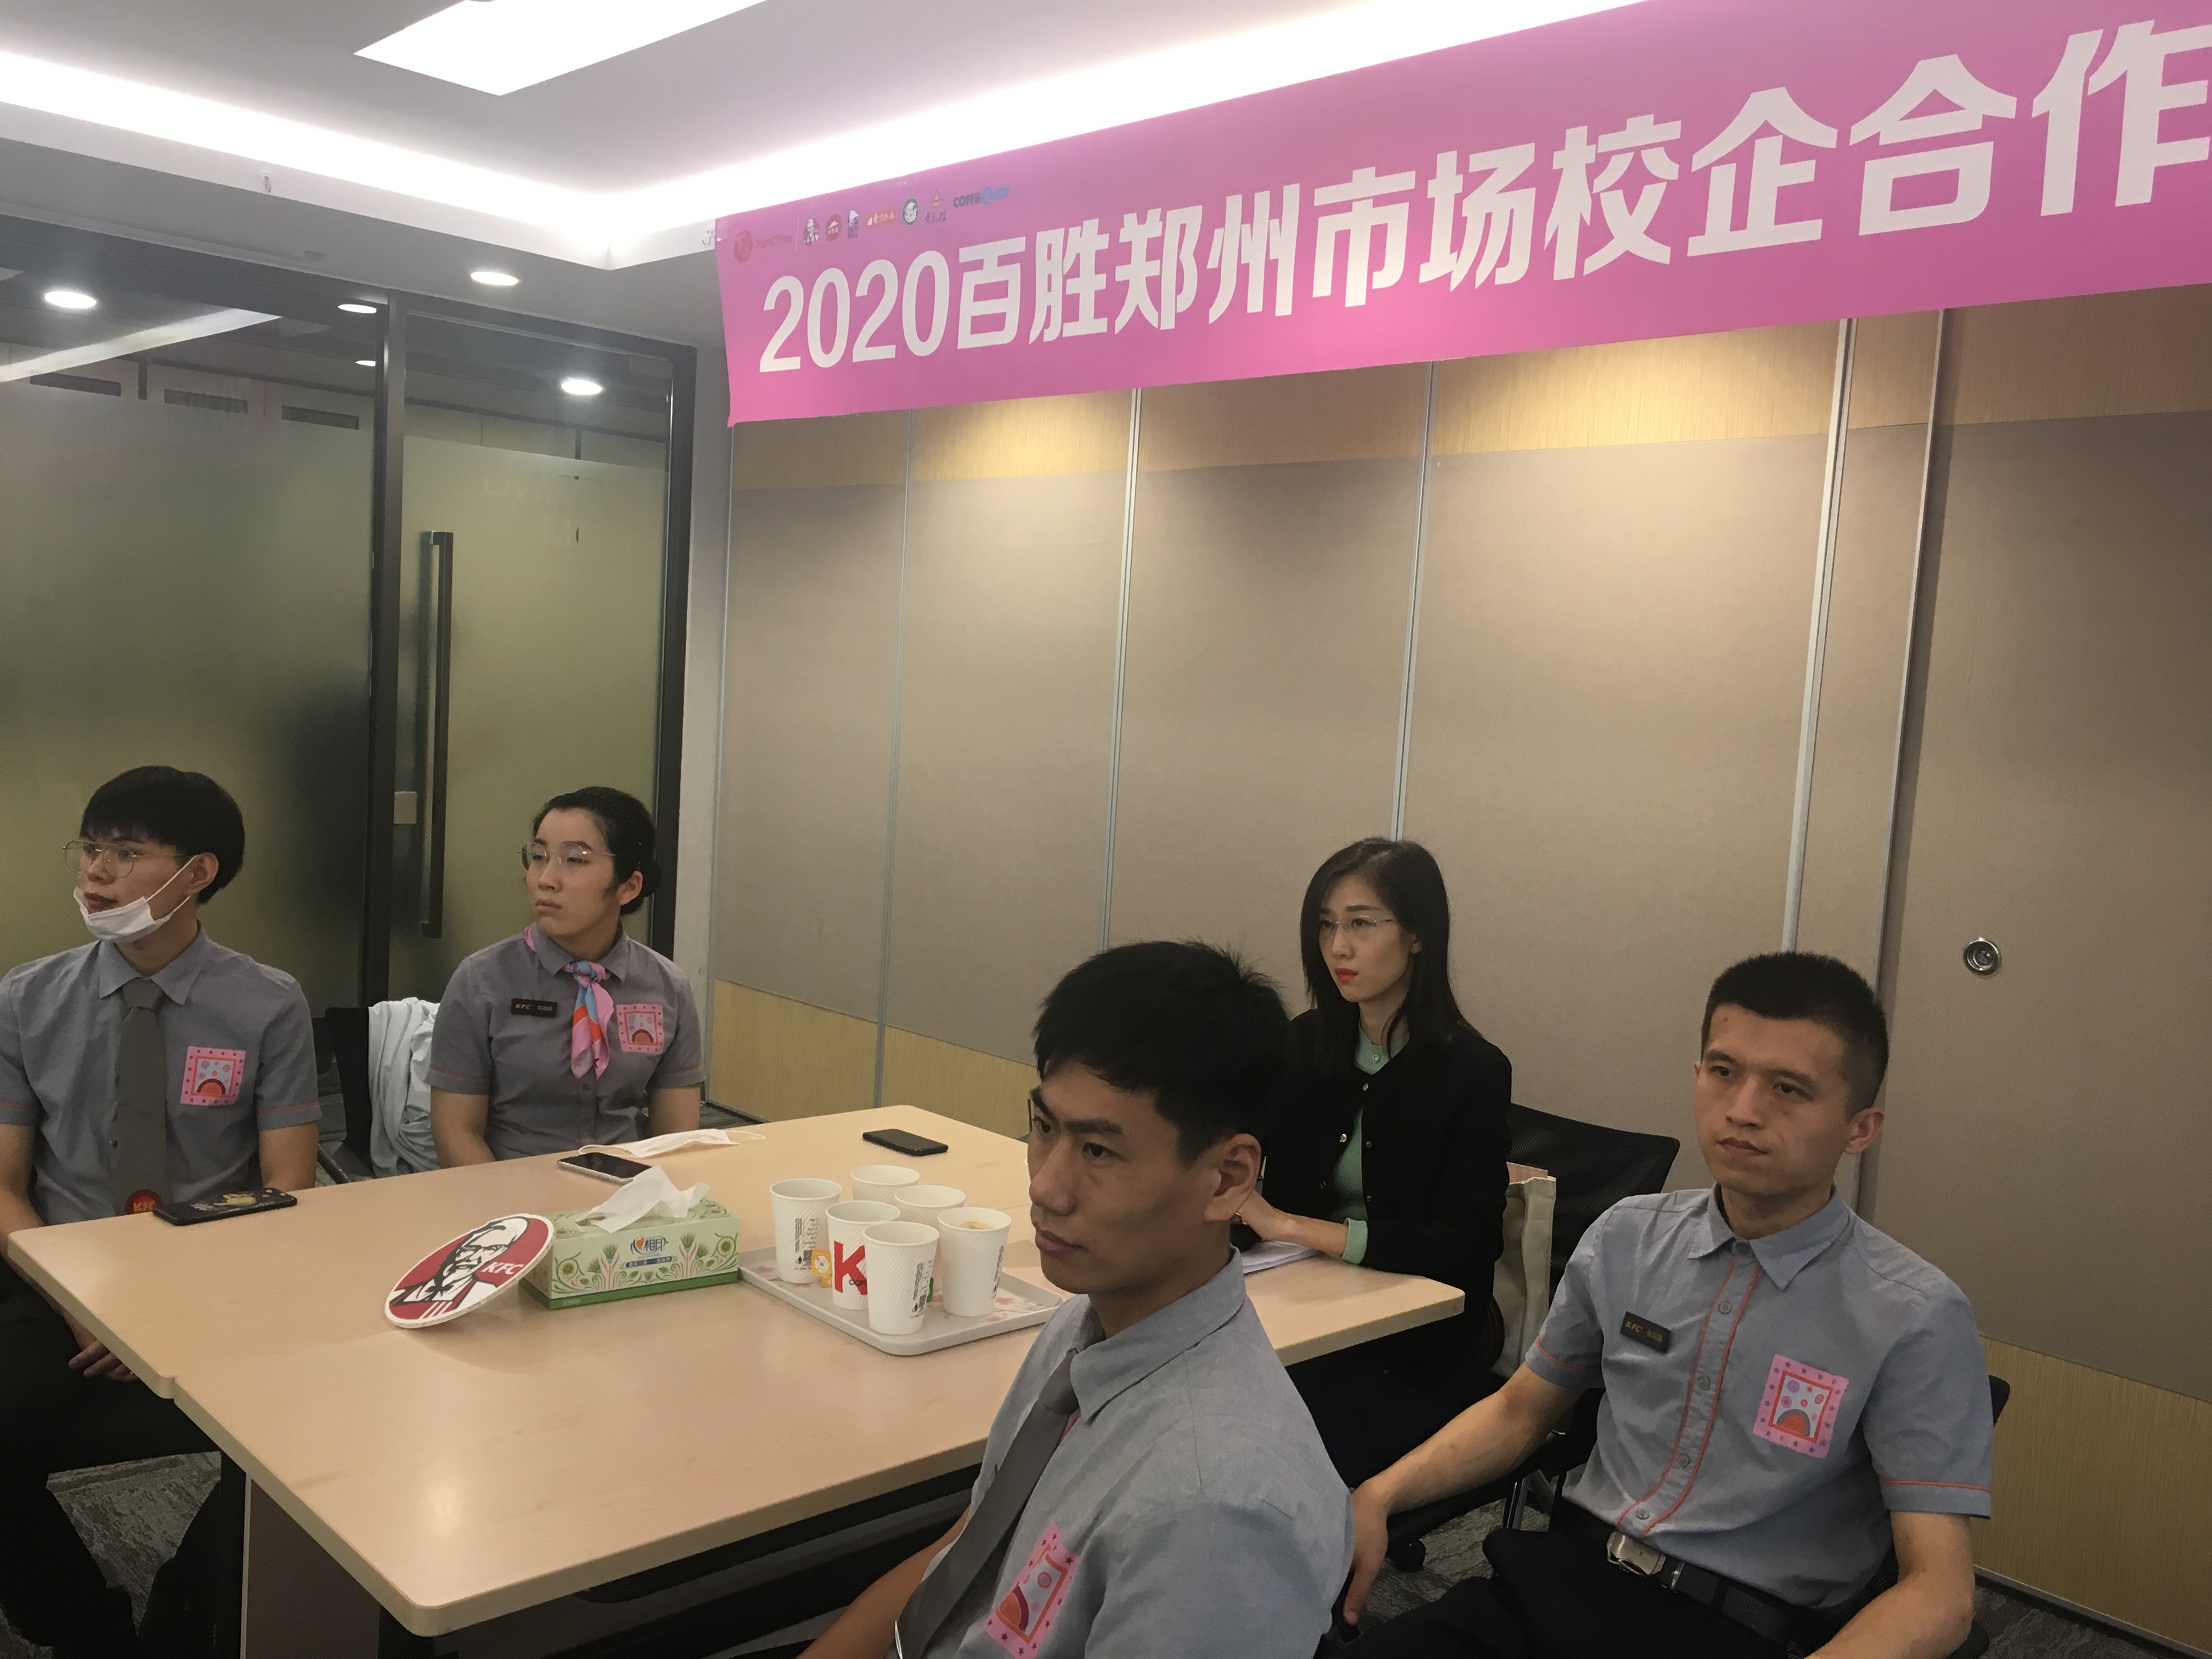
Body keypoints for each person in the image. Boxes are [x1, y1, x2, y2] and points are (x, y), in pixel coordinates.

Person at [1341, 952, 1993, 1659]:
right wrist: (1381, 1493)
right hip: (1559, 1584)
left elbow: (1940, 1589)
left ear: (1859, 1128)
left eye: (1788, 1089)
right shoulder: (1627, 1238)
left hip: (1731, 1627)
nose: (1743, 1110)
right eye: (1724, 1072)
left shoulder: (1913, 1314)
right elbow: (1519, 1412)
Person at [801, 943, 1353, 1659]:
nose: (1045, 1187)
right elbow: (968, 1553)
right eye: (1044, 1128)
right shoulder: (1088, 1322)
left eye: (1098, 1152)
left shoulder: (1211, 1511)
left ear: (1226, 1179)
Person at [0, 767, 321, 1657]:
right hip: (62, 1286)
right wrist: (86, 1301)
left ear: (198, 872)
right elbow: (5, 1185)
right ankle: (84, 1628)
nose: (96, 870)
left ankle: (186, 1610)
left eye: (127, 851)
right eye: (90, 847)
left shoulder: (268, 1003)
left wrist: (176, 1302)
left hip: (217, 1279)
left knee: (309, 1428)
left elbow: (286, 1186)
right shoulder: (27, 998)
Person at [1237, 838, 1512, 1487]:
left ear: (1418, 935)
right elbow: (1242, 1159)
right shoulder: (1306, 1044)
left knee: (1281, 1465)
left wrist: (1295, 1228)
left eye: (1361, 924)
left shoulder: (1471, 1071)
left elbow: (1465, 1246)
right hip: (1299, 1306)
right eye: (1326, 925)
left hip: (1412, 1343)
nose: (1338, 947)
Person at [429, 787, 702, 1164]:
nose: (546, 879)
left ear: (628, 886)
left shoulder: (667, 987)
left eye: (574, 860)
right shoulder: (482, 980)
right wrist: (510, 1201)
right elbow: (455, 1132)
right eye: (539, 857)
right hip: (512, 1183)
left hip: (627, 1183)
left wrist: (648, 1194)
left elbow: (676, 1138)